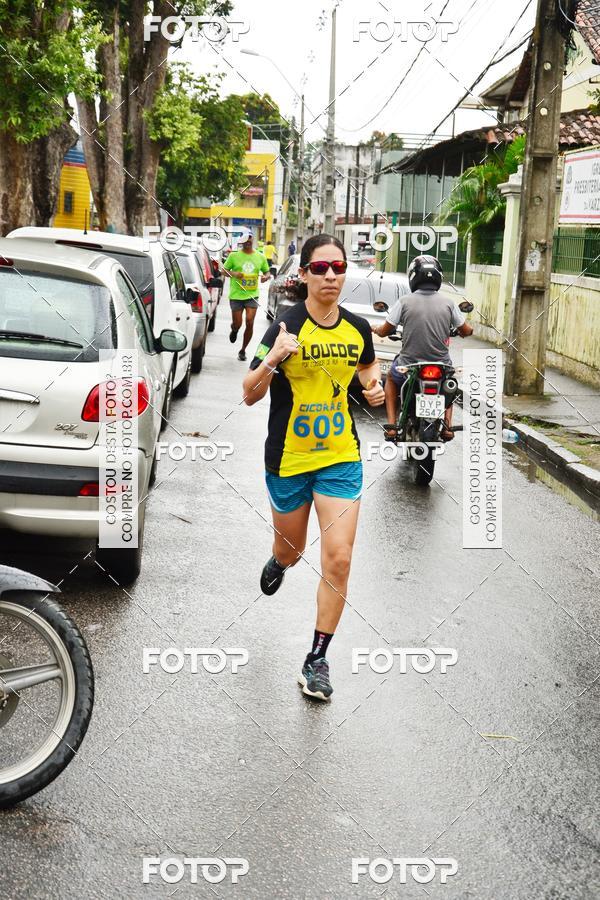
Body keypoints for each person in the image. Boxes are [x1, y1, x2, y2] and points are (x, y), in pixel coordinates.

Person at [243, 234, 385, 701]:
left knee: (339, 560)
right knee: (292, 549)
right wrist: (275, 359)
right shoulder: (285, 325)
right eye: (320, 268)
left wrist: (374, 389)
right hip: (288, 458)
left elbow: (367, 370)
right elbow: (249, 392)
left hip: (340, 457)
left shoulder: (359, 328)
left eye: (338, 267)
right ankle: (281, 560)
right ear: (302, 274)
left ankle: (317, 659)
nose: (330, 275)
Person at [372, 254, 473, 441]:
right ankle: (448, 427)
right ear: (439, 277)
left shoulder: (404, 301)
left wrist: (377, 330)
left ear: (413, 277)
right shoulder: (449, 303)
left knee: (392, 380)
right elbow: (466, 330)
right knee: (448, 385)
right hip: (441, 365)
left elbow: (386, 330)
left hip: (409, 365)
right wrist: (466, 330)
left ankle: (393, 427)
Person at [223, 231, 271, 362]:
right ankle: (234, 329)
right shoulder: (234, 256)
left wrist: (266, 277)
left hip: (252, 294)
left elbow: (267, 271)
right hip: (236, 295)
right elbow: (224, 270)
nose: (248, 241)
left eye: (250, 239)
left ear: (252, 240)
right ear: (242, 242)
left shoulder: (260, 257)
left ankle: (243, 350)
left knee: (250, 322)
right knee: (238, 323)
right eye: (246, 240)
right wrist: (234, 273)